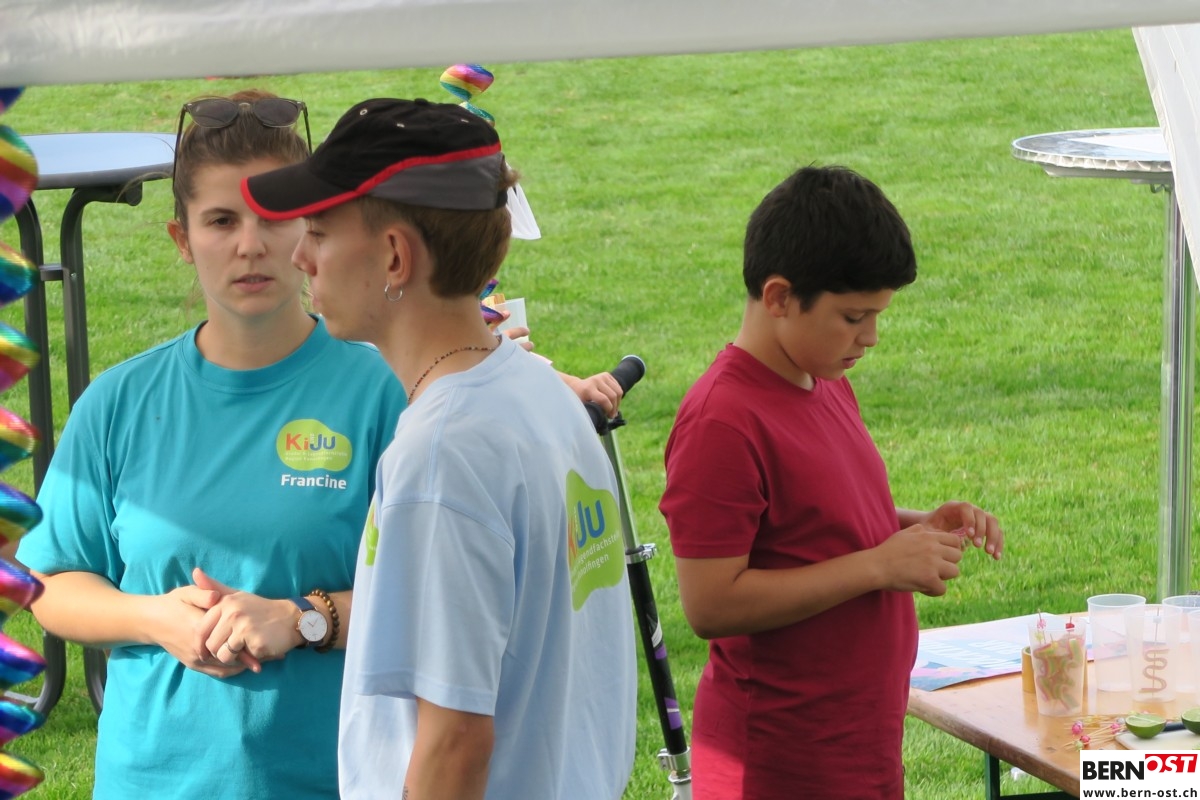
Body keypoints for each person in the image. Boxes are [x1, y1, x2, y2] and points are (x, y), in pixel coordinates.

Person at [242, 97, 638, 800]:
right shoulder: (541, 395)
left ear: (395, 257)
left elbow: (455, 742)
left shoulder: (442, 456)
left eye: (320, 232)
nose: (299, 255)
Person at [16, 89, 407, 799]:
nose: (250, 244)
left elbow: (433, 594)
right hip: (152, 781)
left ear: (311, 225)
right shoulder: (119, 402)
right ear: (182, 239)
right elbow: (51, 583)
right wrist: (153, 618)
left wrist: (302, 619)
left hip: (336, 779)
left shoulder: (382, 393)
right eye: (222, 220)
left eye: (274, 216)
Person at [658, 165, 1005, 799]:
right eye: (852, 317)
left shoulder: (824, 379)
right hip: (778, 763)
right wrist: (879, 565)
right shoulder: (722, 422)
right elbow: (711, 603)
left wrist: (914, 528)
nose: (870, 338)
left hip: (856, 745)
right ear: (779, 297)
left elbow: (812, 523)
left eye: (876, 316)